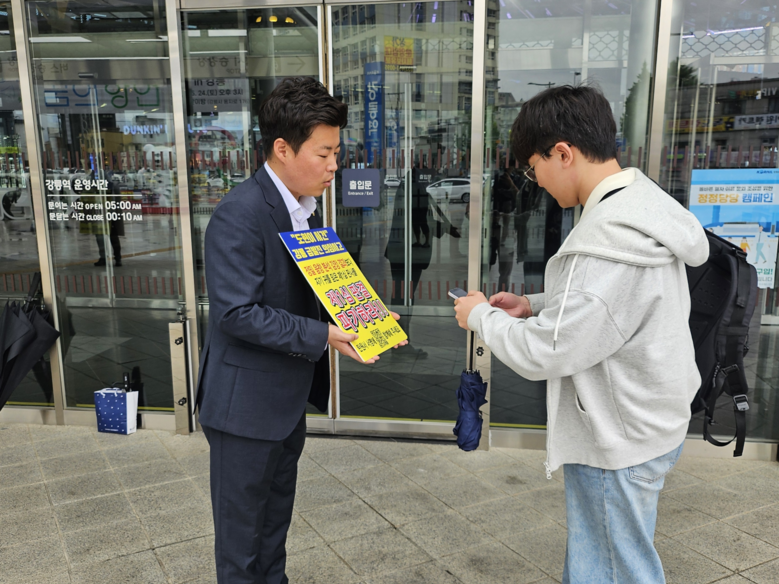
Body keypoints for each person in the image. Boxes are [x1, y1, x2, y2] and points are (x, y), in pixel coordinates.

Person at [453, 85, 709, 584]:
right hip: (648, 420)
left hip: (617, 438)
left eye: (535, 168)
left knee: (615, 571)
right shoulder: (642, 204)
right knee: (604, 563)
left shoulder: (607, 236)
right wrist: (534, 305)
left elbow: (547, 351)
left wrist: (481, 316)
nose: (537, 181)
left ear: (563, 153)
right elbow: (610, 306)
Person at [196, 77, 406, 584]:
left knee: (273, 532)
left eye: (337, 153)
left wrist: (359, 315)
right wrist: (323, 336)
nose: (334, 166)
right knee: (241, 545)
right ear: (283, 148)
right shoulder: (240, 214)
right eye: (324, 153)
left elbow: (307, 292)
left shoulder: (304, 214)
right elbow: (236, 313)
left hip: (285, 404)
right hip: (245, 410)